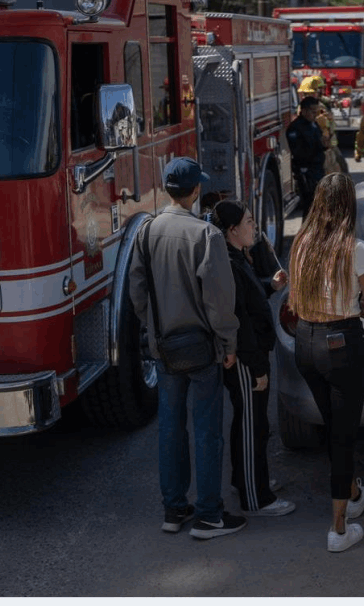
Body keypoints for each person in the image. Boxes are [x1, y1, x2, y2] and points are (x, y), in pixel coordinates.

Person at [128, 157, 246, 540]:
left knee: (170, 428)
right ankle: (210, 514)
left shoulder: (145, 231)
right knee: (207, 430)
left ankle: (174, 509)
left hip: (164, 348)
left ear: (167, 189)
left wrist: (154, 328)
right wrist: (228, 342)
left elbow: (137, 292)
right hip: (202, 348)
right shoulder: (206, 235)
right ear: (196, 191)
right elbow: (218, 300)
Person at [287, 173, 364, 552]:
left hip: (306, 342)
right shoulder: (356, 249)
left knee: (333, 425)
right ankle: (339, 529)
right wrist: (358, 300)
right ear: (349, 206)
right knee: (344, 434)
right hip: (341, 344)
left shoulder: (301, 244)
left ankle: (354, 492)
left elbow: (295, 302)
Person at [208, 200, 296, 519]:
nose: (254, 227)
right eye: (248, 222)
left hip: (253, 354)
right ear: (232, 230)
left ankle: (246, 479)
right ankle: (255, 497)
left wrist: (270, 286)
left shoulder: (237, 258)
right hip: (248, 359)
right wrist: (258, 366)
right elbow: (240, 320)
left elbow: (250, 296)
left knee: (254, 423)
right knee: (250, 424)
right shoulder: (229, 262)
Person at [287, 96, 328, 219]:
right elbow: (299, 153)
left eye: (317, 112)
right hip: (306, 172)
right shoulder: (295, 128)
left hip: (317, 170)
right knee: (310, 206)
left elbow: (320, 141)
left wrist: (325, 144)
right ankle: (307, 235)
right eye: (313, 112)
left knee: (320, 206)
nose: (315, 115)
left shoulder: (314, 124)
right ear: (304, 111)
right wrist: (318, 146)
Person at [299, 75, 347, 176]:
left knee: (341, 170)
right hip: (323, 148)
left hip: (329, 146)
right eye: (319, 90)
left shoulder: (317, 103)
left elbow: (326, 100)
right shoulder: (312, 108)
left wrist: (339, 102)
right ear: (313, 92)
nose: (321, 92)